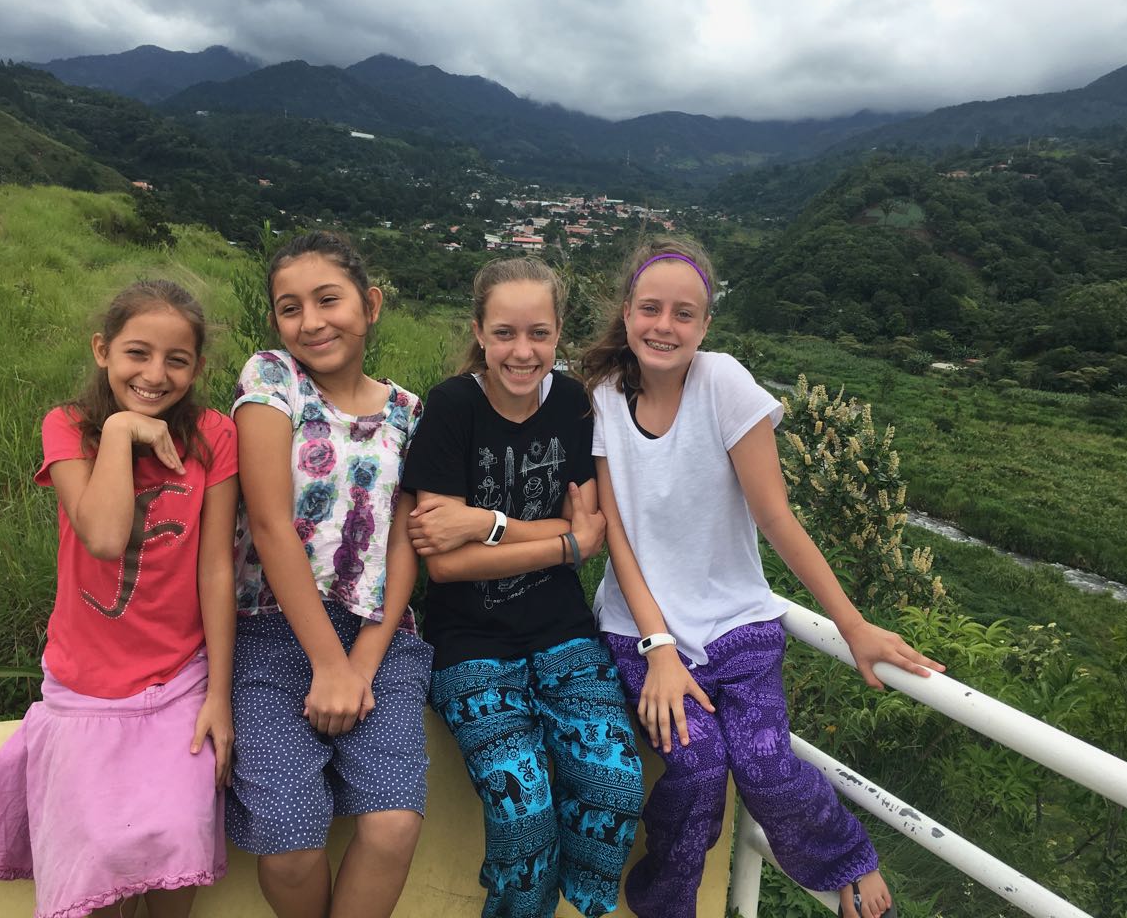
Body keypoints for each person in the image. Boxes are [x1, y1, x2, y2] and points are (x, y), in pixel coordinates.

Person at [582, 237, 945, 918]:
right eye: (650, 309)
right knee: (696, 771)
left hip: (737, 624)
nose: (664, 326)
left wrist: (853, 625)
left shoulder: (722, 383)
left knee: (766, 765)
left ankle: (845, 857)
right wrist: (659, 649)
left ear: (705, 325)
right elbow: (619, 540)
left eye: (684, 314)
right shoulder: (601, 400)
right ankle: (665, 903)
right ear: (626, 313)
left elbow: (776, 517)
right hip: (640, 630)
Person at [0, 279, 238, 917]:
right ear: (102, 350)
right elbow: (106, 537)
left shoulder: (212, 436)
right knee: (96, 864)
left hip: (179, 679)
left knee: (177, 846)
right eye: (137, 353)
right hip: (85, 683)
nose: (155, 375)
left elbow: (216, 568)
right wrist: (118, 432)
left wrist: (218, 696)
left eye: (177, 360)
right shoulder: (68, 427)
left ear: (197, 368)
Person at [401, 257, 643, 918]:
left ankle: (582, 906)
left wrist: (484, 524)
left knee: (616, 786)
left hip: (563, 632)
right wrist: (559, 543)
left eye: (539, 333)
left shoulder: (571, 404)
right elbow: (444, 564)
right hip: (470, 642)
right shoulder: (452, 407)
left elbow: (588, 529)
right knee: (522, 811)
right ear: (479, 332)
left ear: (558, 332)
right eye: (504, 333)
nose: (522, 351)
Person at [227, 231, 431, 918]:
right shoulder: (272, 379)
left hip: (380, 637)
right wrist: (327, 663)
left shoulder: (409, 411)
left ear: (370, 305)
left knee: (393, 823)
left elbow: (404, 542)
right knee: (289, 843)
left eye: (328, 300)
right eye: (291, 308)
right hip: (270, 631)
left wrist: (361, 662)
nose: (311, 321)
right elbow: (268, 523)